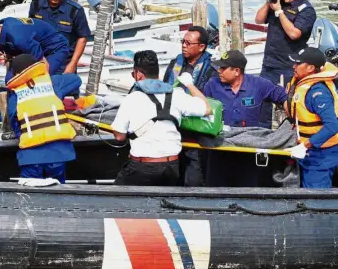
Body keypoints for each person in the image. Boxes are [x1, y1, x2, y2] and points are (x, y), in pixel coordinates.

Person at [111, 50, 212, 186]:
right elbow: (207, 109)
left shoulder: (132, 98)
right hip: (172, 166)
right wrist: (189, 84)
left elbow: (119, 137)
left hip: (143, 167)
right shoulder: (176, 94)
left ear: (138, 74)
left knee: (117, 198)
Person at [203, 50, 288, 187]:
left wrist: (291, 116)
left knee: (248, 190)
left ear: (236, 71)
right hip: (220, 149)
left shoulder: (258, 84)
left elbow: (281, 96)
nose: (219, 71)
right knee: (216, 191)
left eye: (223, 68)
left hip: (247, 151)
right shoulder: (212, 85)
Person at [6, 54, 82, 184]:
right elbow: (76, 80)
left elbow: (15, 122)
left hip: (31, 156)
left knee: (29, 198)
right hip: (59, 153)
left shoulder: (15, 95)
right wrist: (46, 73)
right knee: (57, 194)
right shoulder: (53, 83)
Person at [255, 0, 317, 128]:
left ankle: (292, 134)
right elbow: (259, 20)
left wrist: (279, 12)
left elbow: (294, 33)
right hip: (270, 63)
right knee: (263, 102)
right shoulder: (278, 2)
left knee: (291, 104)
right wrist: (269, 2)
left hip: (291, 66)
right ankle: (262, 134)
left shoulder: (306, 10)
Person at [163, 25, 218, 186]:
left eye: (188, 43)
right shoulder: (175, 63)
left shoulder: (211, 69)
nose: (184, 45)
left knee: (194, 178)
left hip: (197, 130)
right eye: (183, 42)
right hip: (174, 128)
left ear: (201, 47)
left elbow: (210, 99)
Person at [285, 48, 338, 188]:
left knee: (316, 201)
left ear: (311, 68)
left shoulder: (318, 93)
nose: (294, 66)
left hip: (320, 157)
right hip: (309, 154)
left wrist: (305, 145)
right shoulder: (304, 85)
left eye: (298, 63)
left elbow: (332, 126)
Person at [0, 10, 71, 77]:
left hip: (55, 48)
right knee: (10, 79)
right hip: (32, 46)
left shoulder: (18, 39)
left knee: (40, 78)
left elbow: (44, 65)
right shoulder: (2, 23)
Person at [28, 0, 90, 74]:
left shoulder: (75, 10)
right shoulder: (36, 4)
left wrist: (73, 64)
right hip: (40, 60)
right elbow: (30, 28)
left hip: (64, 64)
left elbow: (82, 38)